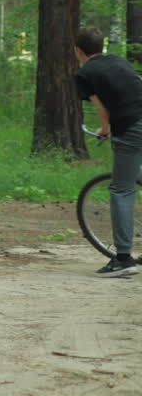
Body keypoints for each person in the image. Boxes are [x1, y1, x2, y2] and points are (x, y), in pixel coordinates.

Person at [74, 27, 142, 277]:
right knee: (137, 175)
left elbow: (103, 109)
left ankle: (123, 259)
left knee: (122, 189)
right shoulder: (119, 60)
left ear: (78, 51)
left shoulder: (85, 74)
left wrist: (105, 129)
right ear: (101, 46)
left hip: (132, 127)